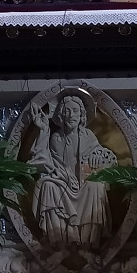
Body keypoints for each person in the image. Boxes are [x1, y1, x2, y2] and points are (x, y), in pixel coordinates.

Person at [29, 90, 116, 250]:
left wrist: (98, 155)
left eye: (75, 110)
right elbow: (44, 160)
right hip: (63, 182)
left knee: (96, 186)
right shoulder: (56, 138)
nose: (71, 115)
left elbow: (107, 158)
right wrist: (43, 129)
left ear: (82, 114)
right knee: (48, 186)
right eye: (67, 111)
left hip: (84, 184)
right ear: (61, 115)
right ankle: (59, 242)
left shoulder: (88, 136)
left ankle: (88, 243)